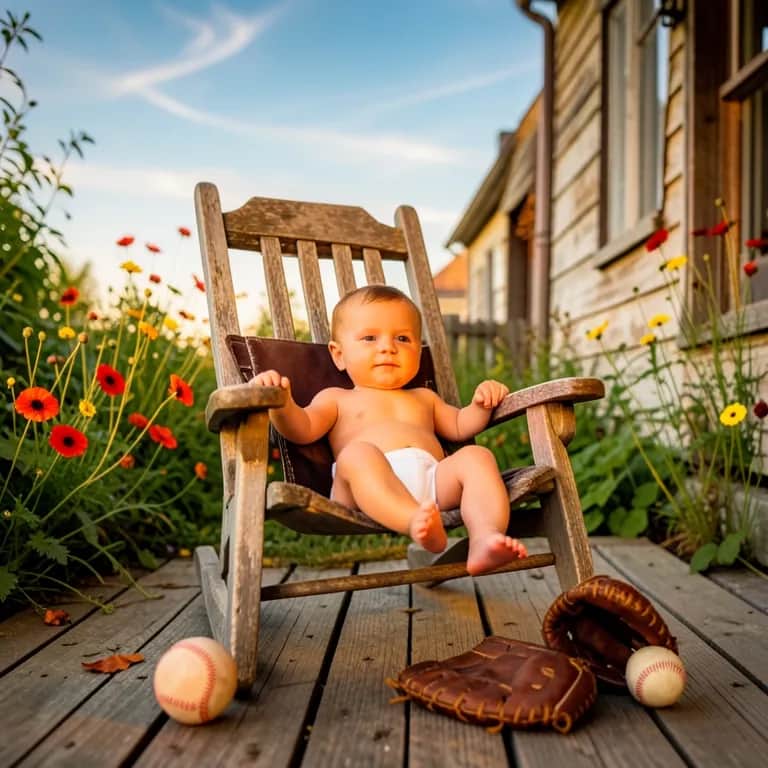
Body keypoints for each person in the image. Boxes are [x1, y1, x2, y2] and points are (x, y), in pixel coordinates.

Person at [251, 285, 527, 575]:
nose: (388, 347)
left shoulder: (424, 398)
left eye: (403, 338)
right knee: (357, 453)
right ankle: (414, 523)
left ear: (418, 353)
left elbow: (460, 426)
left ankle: (484, 538)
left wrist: (481, 405)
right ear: (339, 355)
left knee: (476, 456)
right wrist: (281, 405)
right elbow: (301, 430)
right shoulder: (336, 398)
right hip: (362, 490)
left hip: (432, 483)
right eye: (370, 338)